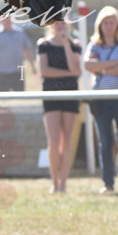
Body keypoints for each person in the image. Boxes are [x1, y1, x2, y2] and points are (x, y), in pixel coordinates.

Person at [84, 5, 118, 195]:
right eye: (105, 23)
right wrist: (115, 63)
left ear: (117, 25)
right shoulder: (94, 45)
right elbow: (88, 65)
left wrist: (102, 68)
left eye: (112, 22)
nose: (108, 26)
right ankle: (108, 183)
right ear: (100, 25)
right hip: (101, 100)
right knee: (106, 142)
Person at [37, 19, 82, 193]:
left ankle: (63, 183)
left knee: (67, 139)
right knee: (54, 141)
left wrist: (65, 45)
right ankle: (54, 182)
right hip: (51, 95)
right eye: (56, 22)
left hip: (70, 95)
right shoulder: (44, 44)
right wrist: (68, 74)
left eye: (63, 22)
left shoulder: (75, 44)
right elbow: (44, 71)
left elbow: (75, 68)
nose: (60, 25)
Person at [0, 13, 36, 91]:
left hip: (18, 72)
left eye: (8, 17)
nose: (7, 20)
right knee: (2, 100)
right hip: (2, 73)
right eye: (4, 18)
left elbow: (27, 50)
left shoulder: (20, 33)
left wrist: (33, 67)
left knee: (20, 98)